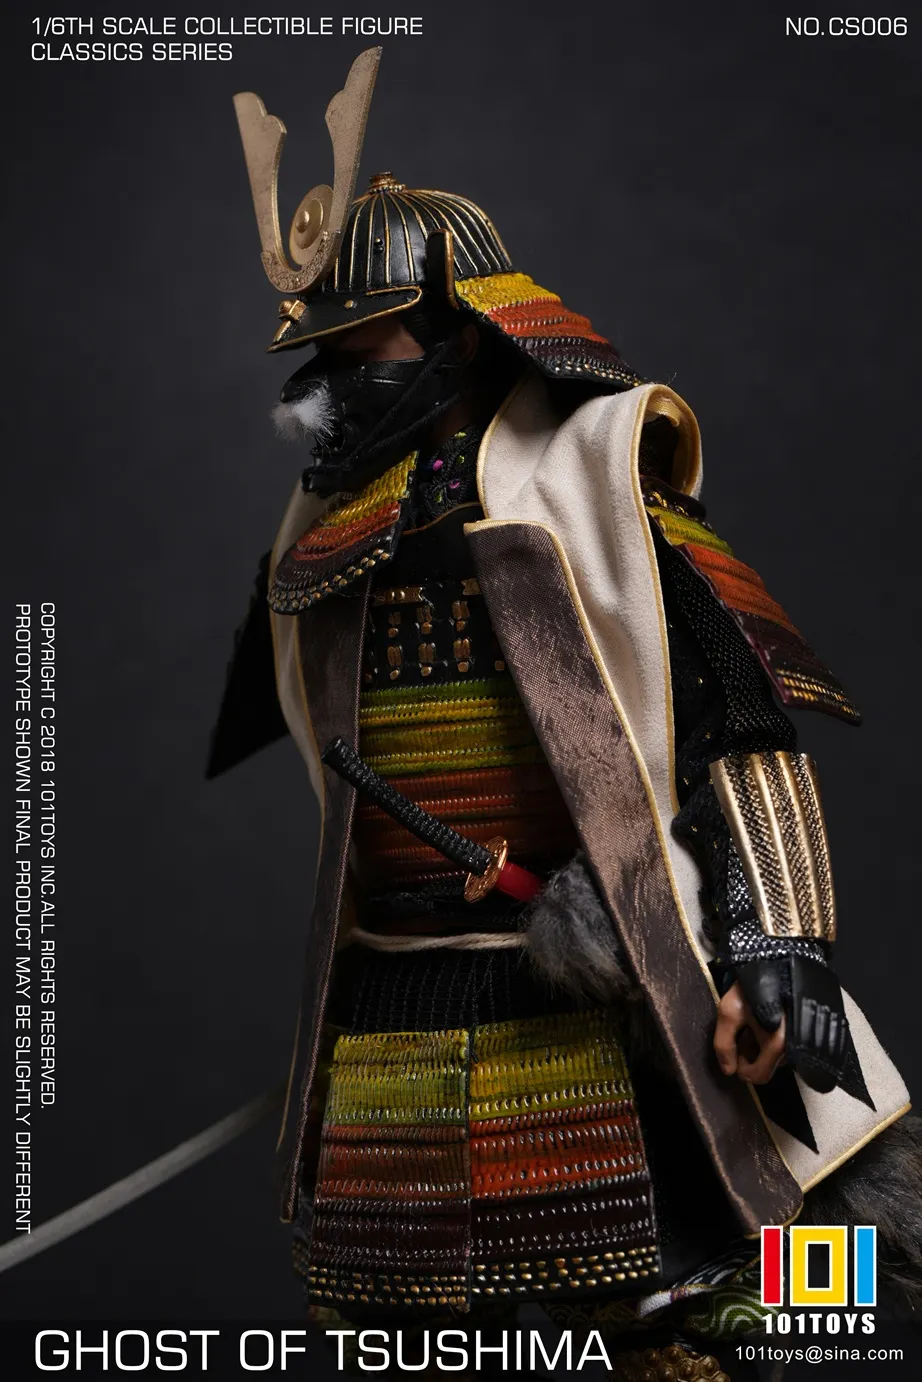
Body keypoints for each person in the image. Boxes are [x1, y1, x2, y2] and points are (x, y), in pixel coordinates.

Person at [210, 51, 918, 1380]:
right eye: (323, 358)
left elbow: (740, 725)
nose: (326, 389)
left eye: (359, 353)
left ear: (457, 332)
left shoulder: (600, 494)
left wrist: (778, 945)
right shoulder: (319, 536)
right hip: (393, 1007)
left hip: (607, 985)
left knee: (737, 1305)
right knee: (403, 1333)